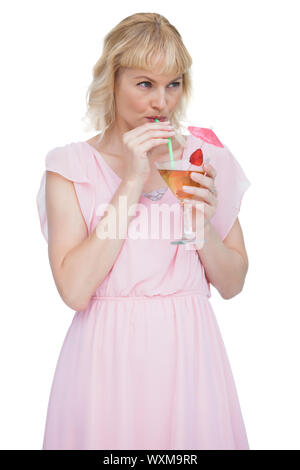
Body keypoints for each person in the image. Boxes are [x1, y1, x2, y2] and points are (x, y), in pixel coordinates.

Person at [36, 12, 251, 450]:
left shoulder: (201, 158)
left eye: (173, 84)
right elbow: (75, 290)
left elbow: (233, 282)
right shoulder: (69, 167)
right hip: (104, 364)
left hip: (192, 360)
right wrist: (131, 182)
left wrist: (200, 224)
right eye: (145, 84)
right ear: (112, 82)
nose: (162, 103)